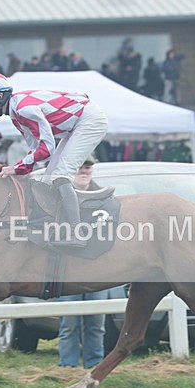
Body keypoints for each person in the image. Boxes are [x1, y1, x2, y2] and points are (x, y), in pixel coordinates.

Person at [0, 72, 108, 248]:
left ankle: (77, 233)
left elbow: (47, 149)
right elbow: (36, 151)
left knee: (61, 176)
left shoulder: (24, 110)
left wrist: (15, 168)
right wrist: (21, 170)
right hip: (75, 124)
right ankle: (57, 228)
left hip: (89, 120)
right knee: (48, 180)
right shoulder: (15, 114)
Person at [55, 157, 108, 367]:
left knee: (97, 322)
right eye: (80, 167)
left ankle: (95, 365)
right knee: (68, 322)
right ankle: (67, 366)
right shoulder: (57, 197)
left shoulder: (105, 197)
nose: (83, 171)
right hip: (67, 269)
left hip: (98, 269)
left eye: (87, 167)